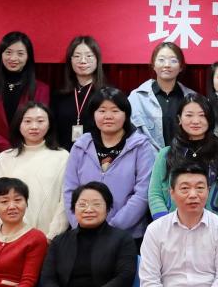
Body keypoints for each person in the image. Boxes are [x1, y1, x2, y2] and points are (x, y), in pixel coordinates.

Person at [63, 87, 155, 238]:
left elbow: (142, 193)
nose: (108, 116)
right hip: (84, 233)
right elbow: (69, 190)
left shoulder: (140, 146)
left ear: (126, 114)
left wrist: (110, 229)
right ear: (93, 114)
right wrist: (80, 224)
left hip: (127, 235)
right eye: (102, 111)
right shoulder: (81, 146)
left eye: (115, 110)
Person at [0, 31, 50, 168]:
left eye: (20, 53)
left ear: (28, 57)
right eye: (8, 52)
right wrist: (10, 149)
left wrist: (20, 151)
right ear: (0, 55)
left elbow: (39, 124)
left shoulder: (41, 89)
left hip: (27, 158)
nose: (13, 58)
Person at [0, 102, 71, 238]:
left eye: (40, 121)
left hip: (51, 238)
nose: (34, 126)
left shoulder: (63, 156)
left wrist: (52, 236)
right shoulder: (4, 158)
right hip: (12, 237)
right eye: (27, 121)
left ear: (49, 124)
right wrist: (13, 233)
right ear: (18, 124)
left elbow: (65, 201)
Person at [149, 95, 218, 218]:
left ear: (210, 119)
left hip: (213, 223)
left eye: (202, 115)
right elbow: (155, 193)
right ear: (179, 119)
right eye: (189, 115)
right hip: (173, 222)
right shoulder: (166, 154)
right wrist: (165, 222)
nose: (196, 121)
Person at [128, 42, 197, 149]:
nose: (167, 65)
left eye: (173, 60)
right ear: (153, 65)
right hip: (147, 158)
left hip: (184, 158)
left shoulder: (192, 98)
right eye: (161, 60)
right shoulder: (137, 97)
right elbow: (130, 134)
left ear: (181, 67)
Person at [50, 36, 107, 150]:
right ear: (70, 60)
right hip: (63, 154)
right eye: (77, 56)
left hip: (97, 154)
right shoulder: (59, 95)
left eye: (89, 56)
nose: (83, 61)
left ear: (97, 59)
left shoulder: (106, 94)